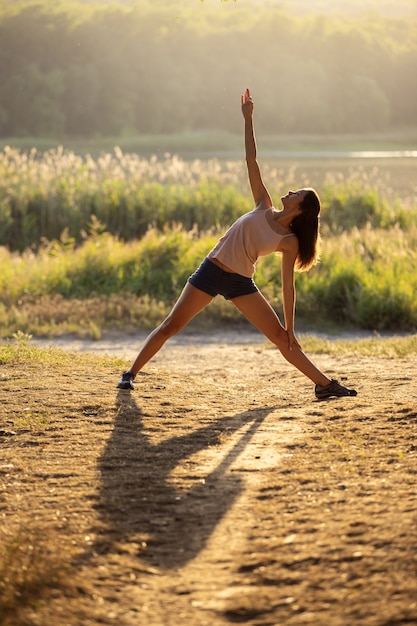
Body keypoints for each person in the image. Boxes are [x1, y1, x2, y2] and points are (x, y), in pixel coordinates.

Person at [118, 88, 357, 400]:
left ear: (301, 208)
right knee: (170, 326)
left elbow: (288, 288)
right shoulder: (263, 204)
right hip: (210, 271)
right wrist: (248, 119)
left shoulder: (289, 242)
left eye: (297, 192)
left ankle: (325, 385)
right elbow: (251, 159)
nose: (290, 190)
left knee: (282, 339)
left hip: (241, 282)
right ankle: (129, 374)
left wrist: (291, 329)